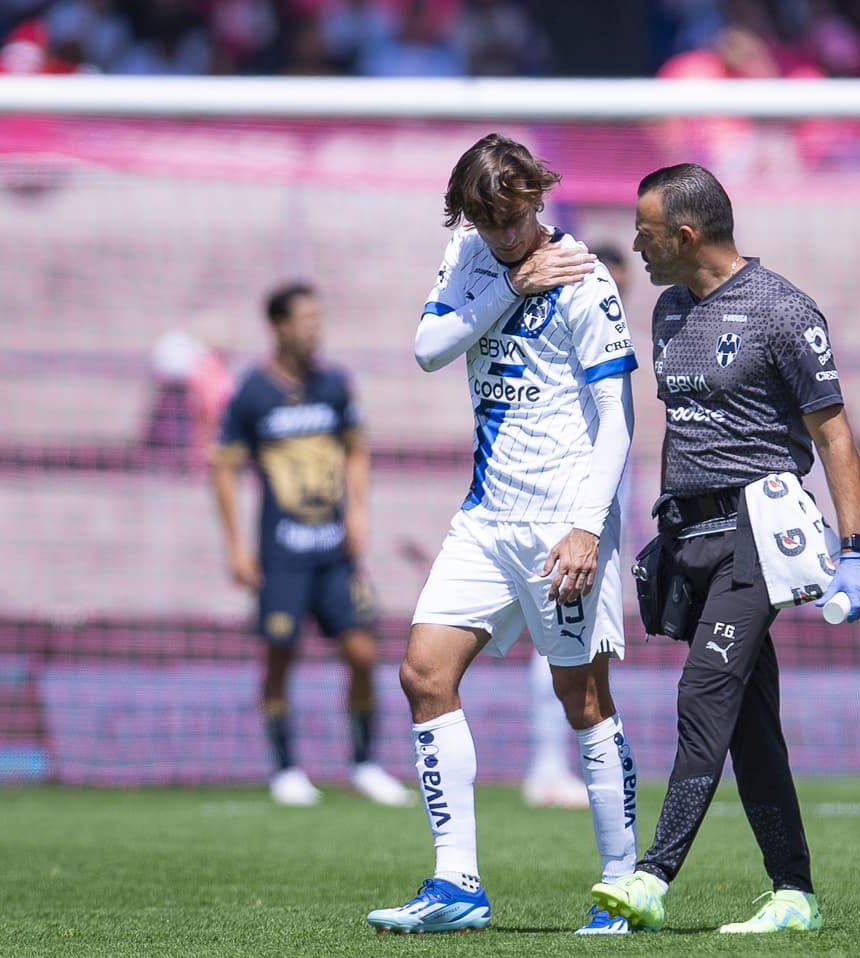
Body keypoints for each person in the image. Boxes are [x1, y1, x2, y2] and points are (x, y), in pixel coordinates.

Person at [591, 163, 860, 935]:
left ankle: (651, 878)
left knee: (704, 693)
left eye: (646, 232)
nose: (638, 247)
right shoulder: (666, 311)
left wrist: (856, 549)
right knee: (751, 726)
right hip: (691, 537)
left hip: (760, 532)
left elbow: (833, 432)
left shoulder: (782, 310)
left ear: (684, 235)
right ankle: (794, 894)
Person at [365, 133, 641, 935]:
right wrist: (509, 284)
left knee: (582, 699)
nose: (504, 235)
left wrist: (589, 529)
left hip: (563, 524)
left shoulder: (586, 280)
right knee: (423, 674)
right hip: (486, 518)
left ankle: (623, 888)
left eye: (514, 219)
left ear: (538, 197)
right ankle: (458, 885)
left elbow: (618, 419)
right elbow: (427, 351)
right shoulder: (472, 257)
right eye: (488, 223)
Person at [211, 282, 411, 808]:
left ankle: (364, 763)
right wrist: (235, 547)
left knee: (362, 651)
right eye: (305, 320)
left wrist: (360, 513)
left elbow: (356, 450)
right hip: (281, 552)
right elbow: (224, 468)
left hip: (334, 551)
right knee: (280, 653)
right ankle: (284, 769)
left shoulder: (335, 385)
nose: (314, 329)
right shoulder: (252, 392)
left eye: (319, 319)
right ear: (278, 326)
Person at [520, 244, 634, 811]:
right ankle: (545, 767)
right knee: (568, 651)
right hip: (565, 515)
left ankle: (552, 768)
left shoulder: (608, 345)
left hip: (593, 515)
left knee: (573, 653)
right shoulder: (571, 343)